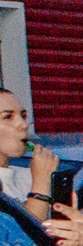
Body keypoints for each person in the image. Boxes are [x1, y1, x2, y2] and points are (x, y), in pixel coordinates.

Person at [0, 86, 58, 214]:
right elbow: (24, 233)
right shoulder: (39, 178)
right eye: (7, 117)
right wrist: (41, 184)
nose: (24, 124)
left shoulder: (29, 176)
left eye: (23, 115)